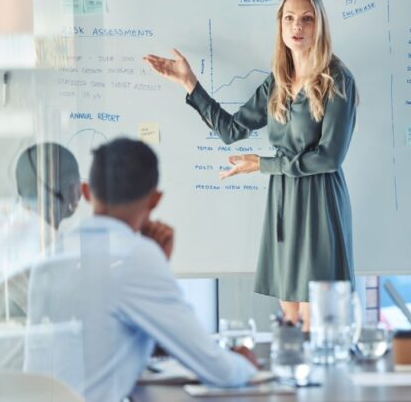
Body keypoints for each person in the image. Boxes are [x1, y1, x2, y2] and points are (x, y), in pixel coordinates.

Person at [144, 0, 358, 330]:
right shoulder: (277, 82)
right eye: (289, 18)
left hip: (319, 201)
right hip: (283, 201)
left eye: (306, 19)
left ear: (319, 26)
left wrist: (263, 164)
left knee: (317, 320)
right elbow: (231, 130)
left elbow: (329, 158)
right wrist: (189, 84)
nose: (297, 27)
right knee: (290, 316)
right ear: (281, 26)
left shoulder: (338, 81)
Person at [24, 138, 257, 402]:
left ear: (86, 192)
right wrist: (245, 363)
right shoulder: (136, 256)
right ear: (155, 199)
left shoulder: (52, 256)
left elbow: (107, 335)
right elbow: (220, 371)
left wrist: (157, 264)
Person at [0, 142, 81, 373]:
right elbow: (74, 321)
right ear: (74, 191)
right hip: (15, 388)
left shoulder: (2, 240)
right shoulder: (38, 246)